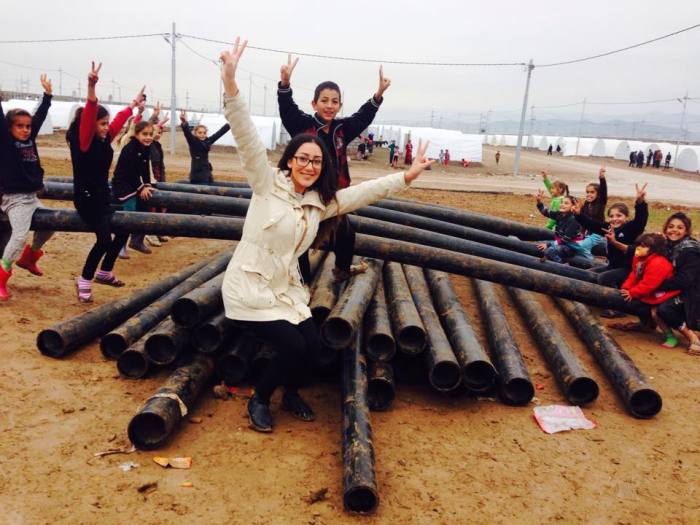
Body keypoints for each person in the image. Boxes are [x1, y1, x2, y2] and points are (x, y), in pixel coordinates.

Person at [218, 38, 433, 432]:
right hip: (250, 287)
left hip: (285, 289)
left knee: (314, 346)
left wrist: (406, 176)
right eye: (303, 158)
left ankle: (292, 392)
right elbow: (247, 138)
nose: (309, 165)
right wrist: (231, 85)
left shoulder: (321, 202)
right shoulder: (267, 184)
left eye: (316, 161)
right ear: (290, 160)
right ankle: (260, 399)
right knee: (293, 345)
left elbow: (361, 193)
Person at [277, 54, 391, 282]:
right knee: (302, 237)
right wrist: (285, 85)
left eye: (334, 101)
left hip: (334, 196)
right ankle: (302, 284)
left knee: (346, 234)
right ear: (314, 104)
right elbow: (287, 109)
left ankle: (341, 271)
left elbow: (362, 118)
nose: (329, 106)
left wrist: (378, 96)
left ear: (339, 105)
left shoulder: (341, 129)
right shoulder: (302, 125)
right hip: (307, 195)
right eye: (324, 100)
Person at [67, 62, 145, 303]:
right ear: (90, 125)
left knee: (123, 228)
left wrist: (133, 106)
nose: (105, 128)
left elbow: (119, 122)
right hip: (87, 199)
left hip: (102, 196)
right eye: (101, 124)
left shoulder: (104, 138)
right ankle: (85, 280)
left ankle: (105, 271)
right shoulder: (84, 142)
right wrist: (91, 86)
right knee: (104, 239)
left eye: (105, 124)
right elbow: (91, 110)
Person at [0, 75, 55, 301]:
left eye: (28, 127)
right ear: (9, 127)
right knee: (19, 235)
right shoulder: (5, 140)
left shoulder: (30, 139)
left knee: (50, 225)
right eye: (19, 126)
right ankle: (2, 277)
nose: (25, 130)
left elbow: (39, 116)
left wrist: (48, 96)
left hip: (31, 196)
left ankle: (30, 257)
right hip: (14, 198)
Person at [613, 233, 680, 331]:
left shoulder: (658, 263)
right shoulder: (639, 258)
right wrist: (626, 287)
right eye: (639, 245)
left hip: (664, 295)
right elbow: (634, 274)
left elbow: (649, 284)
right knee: (634, 302)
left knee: (637, 305)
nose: (639, 248)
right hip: (649, 291)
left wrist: (632, 292)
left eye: (643, 246)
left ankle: (650, 324)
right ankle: (646, 323)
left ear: (654, 249)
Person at [654, 213, 700, 355]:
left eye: (680, 228)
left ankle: (692, 338)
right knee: (647, 301)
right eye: (671, 226)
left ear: (686, 232)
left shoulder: (690, 250)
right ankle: (645, 325)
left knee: (664, 309)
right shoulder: (667, 245)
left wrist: (658, 284)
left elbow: (685, 280)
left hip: (693, 292)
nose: (674, 230)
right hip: (676, 287)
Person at [111, 120, 154, 254]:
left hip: (133, 183)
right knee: (130, 212)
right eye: (144, 134)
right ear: (136, 134)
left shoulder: (146, 147)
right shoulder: (130, 148)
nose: (148, 137)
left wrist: (147, 184)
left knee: (145, 206)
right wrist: (141, 188)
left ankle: (137, 240)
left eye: (150, 134)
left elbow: (145, 168)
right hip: (122, 184)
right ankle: (120, 245)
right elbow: (129, 172)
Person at [535, 192, 592, 263]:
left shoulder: (574, 220)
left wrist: (548, 244)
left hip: (571, 247)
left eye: (566, 203)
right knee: (539, 244)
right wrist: (539, 202)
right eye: (562, 202)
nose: (562, 205)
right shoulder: (560, 214)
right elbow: (545, 212)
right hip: (562, 243)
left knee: (550, 250)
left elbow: (566, 239)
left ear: (573, 207)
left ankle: (562, 265)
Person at [180, 111, 230, 185]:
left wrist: (230, 124)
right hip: (196, 175)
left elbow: (218, 134)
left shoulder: (208, 141)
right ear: (195, 133)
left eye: (204, 133)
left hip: (206, 175)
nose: (202, 135)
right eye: (200, 133)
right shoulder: (193, 142)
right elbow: (187, 133)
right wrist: (184, 122)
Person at [577, 167, 608, 254]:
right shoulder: (586, 204)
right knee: (574, 245)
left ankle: (589, 264)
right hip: (586, 233)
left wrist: (602, 178)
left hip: (596, 234)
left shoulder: (600, 203)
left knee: (581, 247)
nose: (589, 194)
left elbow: (604, 192)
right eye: (587, 192)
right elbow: (582, 220)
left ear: (598, 194)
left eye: (592, 192)